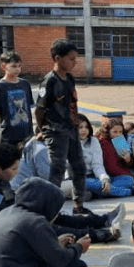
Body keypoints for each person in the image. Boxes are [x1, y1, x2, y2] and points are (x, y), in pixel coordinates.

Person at [0, 142, 123, 243]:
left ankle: (102, 221)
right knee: (49, 227)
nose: (17, 172)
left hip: (19, 216)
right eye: (14, 169)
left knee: (58, 217)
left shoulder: (0, 179)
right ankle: (96, 234)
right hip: (13, 228)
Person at [34, 39, 89, 216]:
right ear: (58, 58)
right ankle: (50, 211)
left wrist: (76, 123)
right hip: (56, 131)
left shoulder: (70, 79)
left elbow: (73, 104)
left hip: (71, 130)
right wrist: (43, 130)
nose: (75, 62)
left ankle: (78, 206)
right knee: (57, 169)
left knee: (79, 167)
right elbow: (40, 109)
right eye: (71, 58)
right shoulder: (49, 81)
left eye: (76, 58)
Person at [70, 114, 131, 199]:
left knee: (128, 180)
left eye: (86, 127)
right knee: (84, 183)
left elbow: (97, 165)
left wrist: (104, 180)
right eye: (80, 127)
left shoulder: (93, 141)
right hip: (79, 179)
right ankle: (128, 192)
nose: (84, 130)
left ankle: (97, 193)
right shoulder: (68, 142)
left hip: (95, 177)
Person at [0, 51, 35, 148]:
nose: (17, 69)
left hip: (27, 133)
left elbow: (28, 104)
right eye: (14, 66)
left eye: (19, 66)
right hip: (9, 135)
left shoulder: (25, 84)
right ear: (3, 66)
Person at [96, 118, 134, 196]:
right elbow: (112, 169)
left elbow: (126, 164)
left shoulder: (119, 141)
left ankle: (113, 191)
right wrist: (132, 176)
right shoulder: (105, 143)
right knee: (130, 180)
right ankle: (129, 191)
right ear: (108, 132)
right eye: (115, 132)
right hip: (111, 176)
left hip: (123, 173)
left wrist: (128, 160)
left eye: (120, 132)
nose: (118, 134)